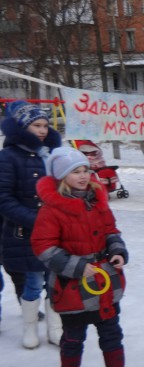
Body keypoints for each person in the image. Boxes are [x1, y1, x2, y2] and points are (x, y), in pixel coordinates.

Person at [31, 147, 141, 367]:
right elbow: (44, 247)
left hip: (104, 282)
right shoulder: (51, 210)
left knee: (111, 332)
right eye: (75, 172)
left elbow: (110, 230)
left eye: (85, 170)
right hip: (72, 287)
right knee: (73, 337)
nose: (83, 176)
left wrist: (117, 250)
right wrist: (78, 266)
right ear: (61, 176)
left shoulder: (96, 200)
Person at [0, 100, 62, 349]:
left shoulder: (52, 154)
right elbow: (4, 199)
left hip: (57, 233)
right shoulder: (8, 157)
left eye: (46, 125)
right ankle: (30, 328)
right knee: (33, 282)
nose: (43, 130)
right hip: (26, 232)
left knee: (55, 281)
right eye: (37, 125)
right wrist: (36, 220)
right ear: (23, 127)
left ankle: (55, 328)